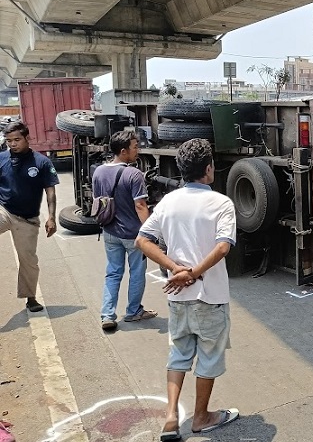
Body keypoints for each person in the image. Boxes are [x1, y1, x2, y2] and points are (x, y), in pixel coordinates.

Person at [135, 139, 239, 438]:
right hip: (210, 295)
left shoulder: (168, 202)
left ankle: (170, 418)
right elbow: (222, 248)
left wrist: (175, 269)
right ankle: (202, 417)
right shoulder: (221, 203)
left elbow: (142, 240)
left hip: (177, 296)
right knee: (208, 356)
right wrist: (192, 272)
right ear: (209, 169)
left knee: (179, 354)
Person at [92, 130, 157, 331]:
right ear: (123, 151)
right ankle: (134, 311)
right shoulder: (134, 174)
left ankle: (107, 314)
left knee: (113, 273)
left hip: (110, 232)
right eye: (135, 147)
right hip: (133, 235)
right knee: (137, 273)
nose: (138, 150)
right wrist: (150, 233)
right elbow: (140, 206)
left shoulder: (98, 172)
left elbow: (99, 201)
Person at [0, 121, 58, 313]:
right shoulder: (1, 159)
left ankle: (30, 298)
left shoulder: (41, 162)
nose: (13, 144)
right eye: (9, 141)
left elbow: (50, 192)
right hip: (4, 210)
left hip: (27, 219)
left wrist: (51, 217)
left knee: (28, 260)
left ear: (27, 138)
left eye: (17, 139)